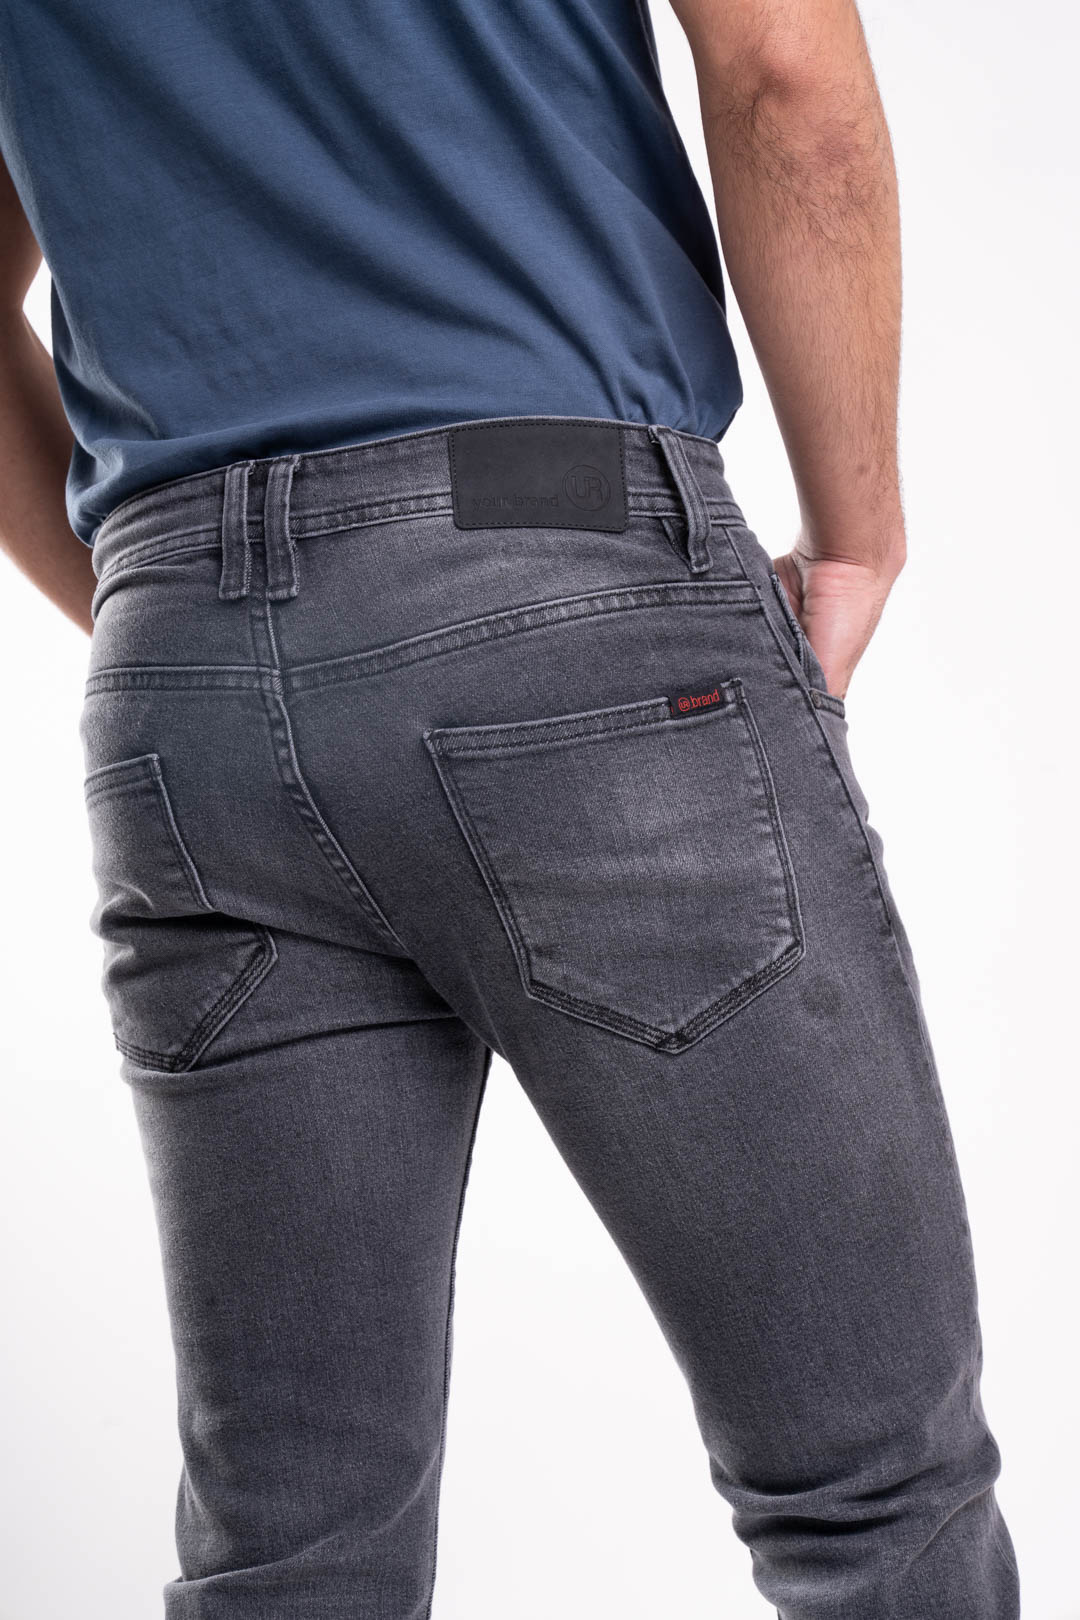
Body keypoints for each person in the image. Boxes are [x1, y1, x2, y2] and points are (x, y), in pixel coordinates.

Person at [0, 0, 1019, 1614]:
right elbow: (784, 74)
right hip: (564, 575)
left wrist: (181, 625)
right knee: (875, 1497)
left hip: (179, 682)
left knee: (291, 1562)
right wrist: (860, 531)